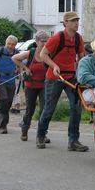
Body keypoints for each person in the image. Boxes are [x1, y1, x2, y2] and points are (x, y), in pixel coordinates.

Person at [36, 11, 87, 151]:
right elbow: (43, 55)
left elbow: (82, 58)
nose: (76, 23)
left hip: (71, 77)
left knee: (76, 108)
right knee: (49, 109)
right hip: (54, 78)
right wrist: (54, 65)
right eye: (73, 21)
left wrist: (83, 73)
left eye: (77, 20)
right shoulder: (57, 37)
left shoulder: (78, 39)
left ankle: (73, 141)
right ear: (65, 23)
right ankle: (40, 136)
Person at [12, 30, 50, 142]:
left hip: (44, 85)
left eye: (47, 41)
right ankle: (24, 129)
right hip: (31, 85)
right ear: (37, 41)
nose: (45, 44)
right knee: (30, 110)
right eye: (42, 41)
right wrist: (25, 68)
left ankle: (42, 133)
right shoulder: (30, 53)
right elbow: (14, 58)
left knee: (44, 110)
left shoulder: (48, 53)